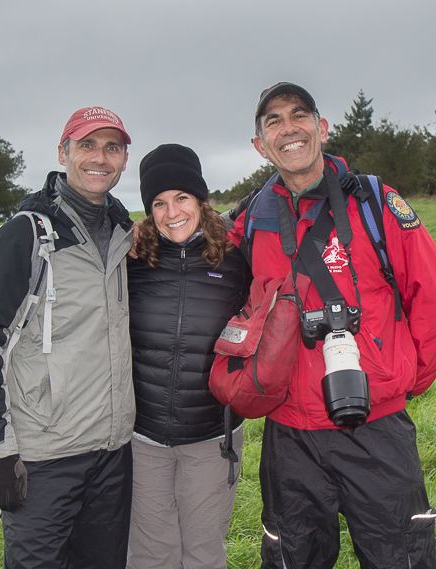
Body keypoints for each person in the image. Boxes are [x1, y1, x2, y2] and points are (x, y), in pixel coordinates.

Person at [228, 83, 436, 568]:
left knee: (399, 557)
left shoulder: (375, 201)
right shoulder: (253, 217)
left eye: (299, 115)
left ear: (322, 127)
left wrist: (403, 380)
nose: (288, 128)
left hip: (376, 429)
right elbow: (193, 250)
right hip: (289, 432)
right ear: (259, 145)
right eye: (273, 121)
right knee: (293, 558)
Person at [0, 106, 136, 569]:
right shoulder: (25, 236)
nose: (100, 157)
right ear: (63, 152)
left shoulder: (124, 235)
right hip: (42, 458)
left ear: (124, 159)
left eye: (112, 147)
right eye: (87, 145)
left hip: (112, 452)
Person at [126, 144, 250, 569]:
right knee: (148, 555)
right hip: (142, 437)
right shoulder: (133, 259)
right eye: (158, 203)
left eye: (181, 198)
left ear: (201, 200)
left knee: (202, 552)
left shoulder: (238, 256)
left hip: (211, 436)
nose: (171, 212)